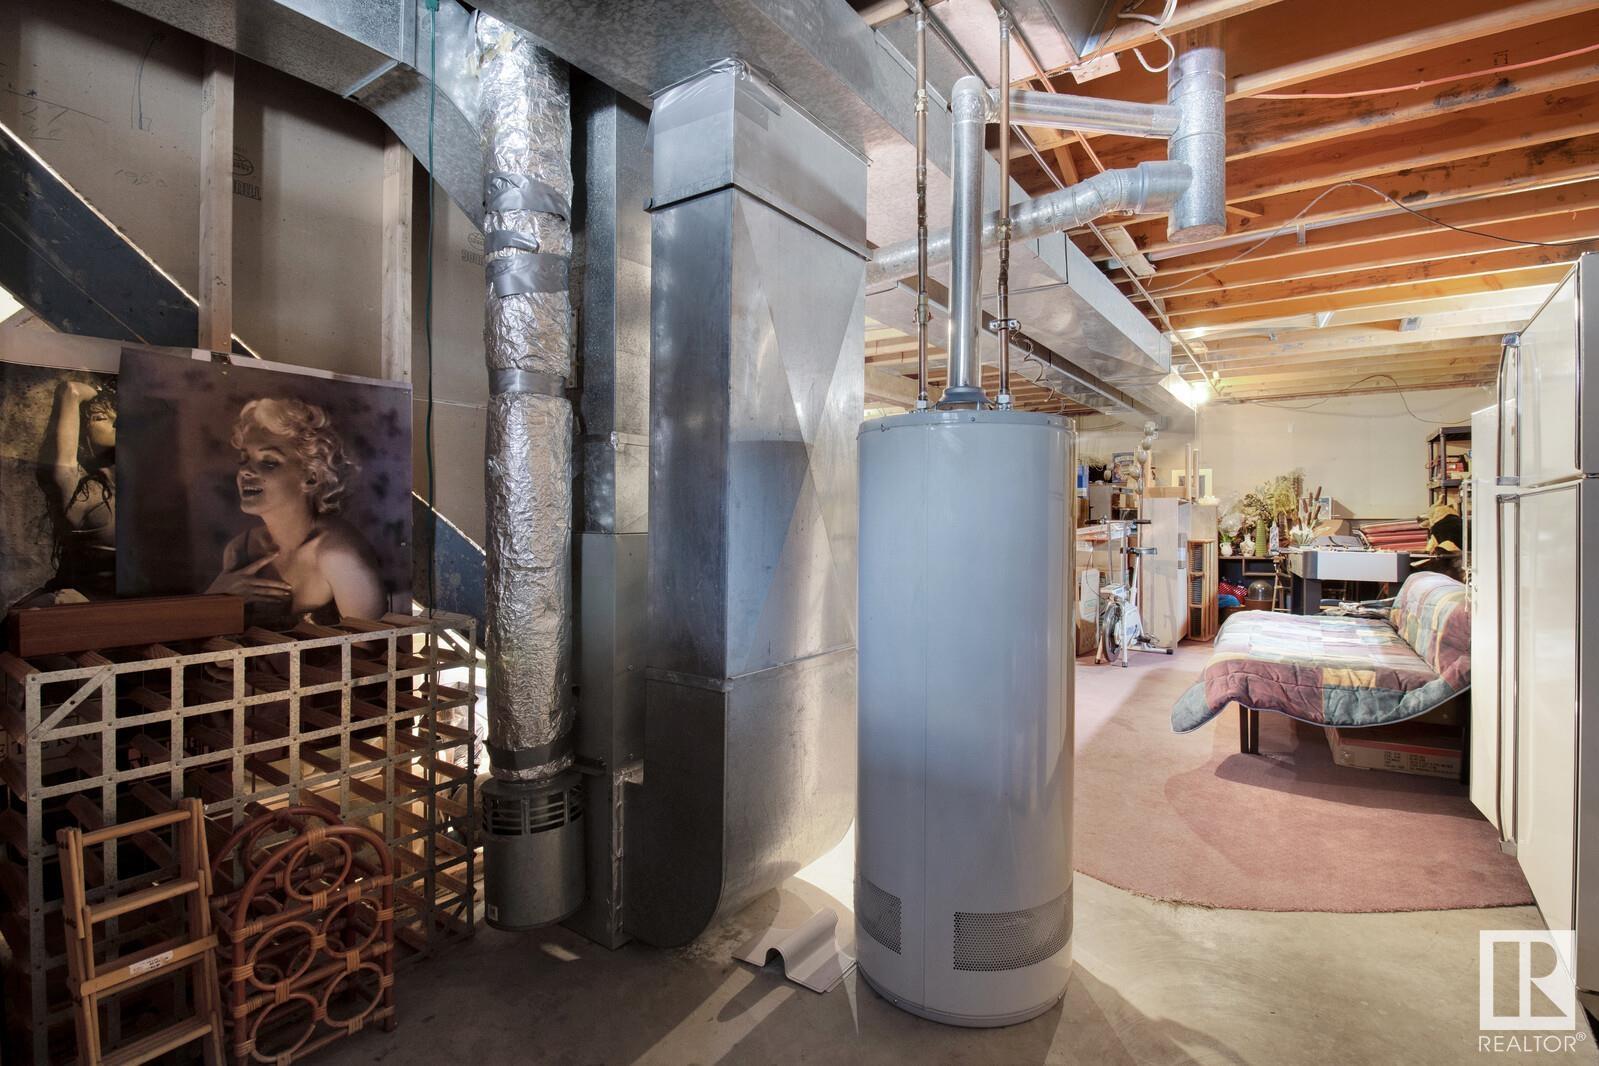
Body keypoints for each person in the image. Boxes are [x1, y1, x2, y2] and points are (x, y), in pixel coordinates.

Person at [207, 397, 386, 623]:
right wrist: (215, 597)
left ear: (311, 476)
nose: (245, 471)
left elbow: (376, 644)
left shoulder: (338, 555)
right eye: (244, 459)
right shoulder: (239, 550)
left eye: (268, 461)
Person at [31, 378, 117, 602]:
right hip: (79, 611)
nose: (117, 422)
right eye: (101, 417)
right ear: (82, 437)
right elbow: (71, 391)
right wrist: (102, 392)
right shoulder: (84, 493)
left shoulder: (150, 489)